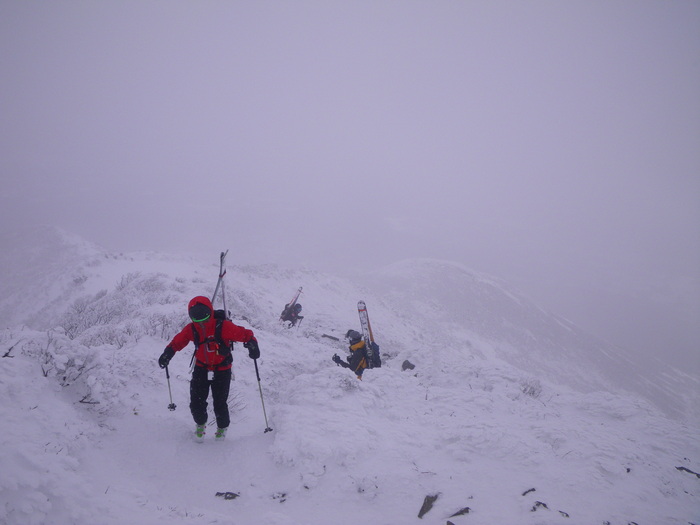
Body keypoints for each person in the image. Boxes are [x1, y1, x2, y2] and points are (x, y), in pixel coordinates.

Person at [158, 295, 260, 441]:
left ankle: (222, 428)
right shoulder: (192, 328)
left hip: (222, 369)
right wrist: (168, 353)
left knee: (220, 402)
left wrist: (252, 344)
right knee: (196, 402)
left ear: (210, 312)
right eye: (197, 319)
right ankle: (200, 424)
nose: (202, 322)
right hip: (201, 368)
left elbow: (244, 335)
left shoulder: (223, 326)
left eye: (205, 317)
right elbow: (178, 342)